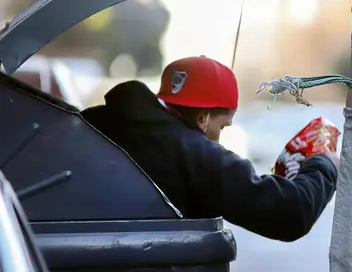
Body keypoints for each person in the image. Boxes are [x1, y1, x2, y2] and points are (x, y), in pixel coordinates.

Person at [81, 56, 338, 242]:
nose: (218, 140)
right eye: (223, 127)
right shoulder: (196, 155)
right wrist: (324, 164)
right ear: (203, 117)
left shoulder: (95, 121)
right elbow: (291, 214)